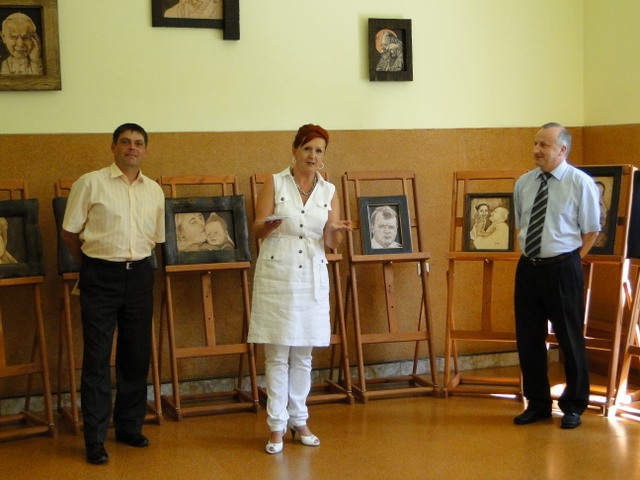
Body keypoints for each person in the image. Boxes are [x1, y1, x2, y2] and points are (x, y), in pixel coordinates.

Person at [61, 123, 165, 464]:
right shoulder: (90, 183)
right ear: (113, 147)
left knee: (136, 356)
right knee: (96, 358)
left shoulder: (154, 190)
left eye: (138, 143)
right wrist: (92, 265)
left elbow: (156, 239)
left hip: (140, 276)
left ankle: (128, 427)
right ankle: (94, 438)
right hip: (99, 276)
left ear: (145, 150)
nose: (132, 147)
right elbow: (69, 233)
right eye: (125, 142)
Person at [247, 124, 352, 455]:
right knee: (278, 353)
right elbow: (256, 230)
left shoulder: (329, 190)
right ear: (295, 150)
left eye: (319, 150)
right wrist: (269, 224)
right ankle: (276, 425)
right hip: (278, 272)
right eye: (307, 148)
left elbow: (331, 242)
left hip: (312, 273)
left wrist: (335, 230)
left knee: (304, 354)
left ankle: (300, 419)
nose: (312, 155)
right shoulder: (275, 182)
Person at [513, 122, 600, 430]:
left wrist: (570, 261)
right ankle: (538, 403)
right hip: (528, 268)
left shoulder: (580, 183)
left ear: (562, 150)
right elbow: (522, 223)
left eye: (544, 145)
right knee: (528, 338)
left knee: (569, 338)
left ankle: (574, 405)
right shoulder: (524, 182)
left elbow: (591, 230)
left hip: (563, 268)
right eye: (535, 143)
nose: (536, 150)